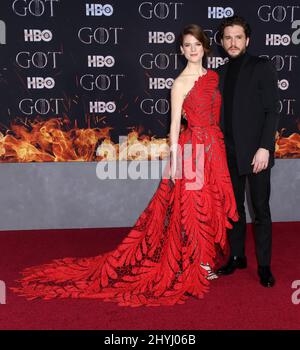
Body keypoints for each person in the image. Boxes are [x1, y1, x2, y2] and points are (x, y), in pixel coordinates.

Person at [11, 25, 238, 307]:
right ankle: (193, 263)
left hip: (214, 148)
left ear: (205, 47)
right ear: (181, 50)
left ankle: (204, 258)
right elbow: (174, 125)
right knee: (191, 205)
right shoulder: (180, 84)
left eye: (196, 44)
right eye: (187, 45)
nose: (192, 50)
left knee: (211, 202)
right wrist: (176, 159)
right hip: (192, 150)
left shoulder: (214, 78)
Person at [216, 16, 279, 287]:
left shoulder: (261, 67)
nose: (233, 42)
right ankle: (237, 256)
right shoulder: (220, 73)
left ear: (247, 40)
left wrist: (265, 147)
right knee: (234, 210)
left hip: (256, 153)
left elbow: (272, 110)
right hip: (227, 152)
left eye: (238, 37)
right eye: (228, 37)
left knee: (261, 209)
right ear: (221, 42)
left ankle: (264, 266)